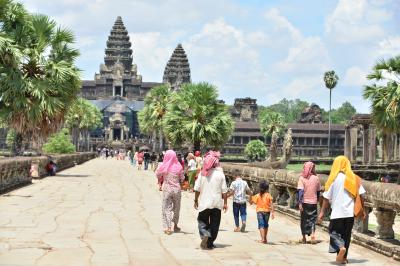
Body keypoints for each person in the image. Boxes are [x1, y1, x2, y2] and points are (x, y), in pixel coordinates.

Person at [318, 156, 366, 264]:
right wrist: (362, 210)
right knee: (346, 236)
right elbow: (362, 195)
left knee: (333, 232)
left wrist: (321, 212)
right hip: (349, 214)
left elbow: (326, 197)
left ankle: (340, 247)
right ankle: (343, 258)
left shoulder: (333, 179)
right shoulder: (354, 178)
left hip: (337, 213)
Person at [194, 151, 228, 250]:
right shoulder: (220, 174)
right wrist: (225, 203)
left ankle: (205, 234)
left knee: (202, 221)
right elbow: (224, 191)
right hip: (217, 203)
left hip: (205, 202)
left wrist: (195, 200)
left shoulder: (202, 174)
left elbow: (197, 188)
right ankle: (210, 243)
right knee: (215, 224)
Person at [156, 150, 184, 235]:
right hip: (177, 189)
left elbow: (157, 175)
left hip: (167, 189)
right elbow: (182, 178)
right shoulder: (178, 165)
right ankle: (175, 225)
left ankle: (168, 228)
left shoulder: (162, 165)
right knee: (177, 208)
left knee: (166, 208)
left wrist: (161, 178)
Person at [298, 161, 321, 244]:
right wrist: (317, 199)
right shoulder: (316, 178)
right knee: (313, 220)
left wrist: (300, 203)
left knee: (304, 220)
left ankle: (304, 238)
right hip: (313, 202)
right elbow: (318, 191)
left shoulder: (302, 178)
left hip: (304, 202)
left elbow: (300, 191)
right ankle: (312, 236)